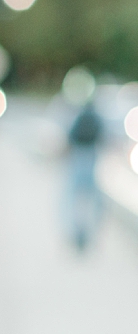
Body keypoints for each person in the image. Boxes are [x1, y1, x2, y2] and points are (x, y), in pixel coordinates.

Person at [66, 97, 103, 252]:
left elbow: (70, 136)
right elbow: (102, 136)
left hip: (79, 157)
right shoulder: (96, 118)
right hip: (92, 157)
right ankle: (86, 232)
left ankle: (78, 232)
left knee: (76, 197)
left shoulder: (79, 118)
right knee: (90, 198)